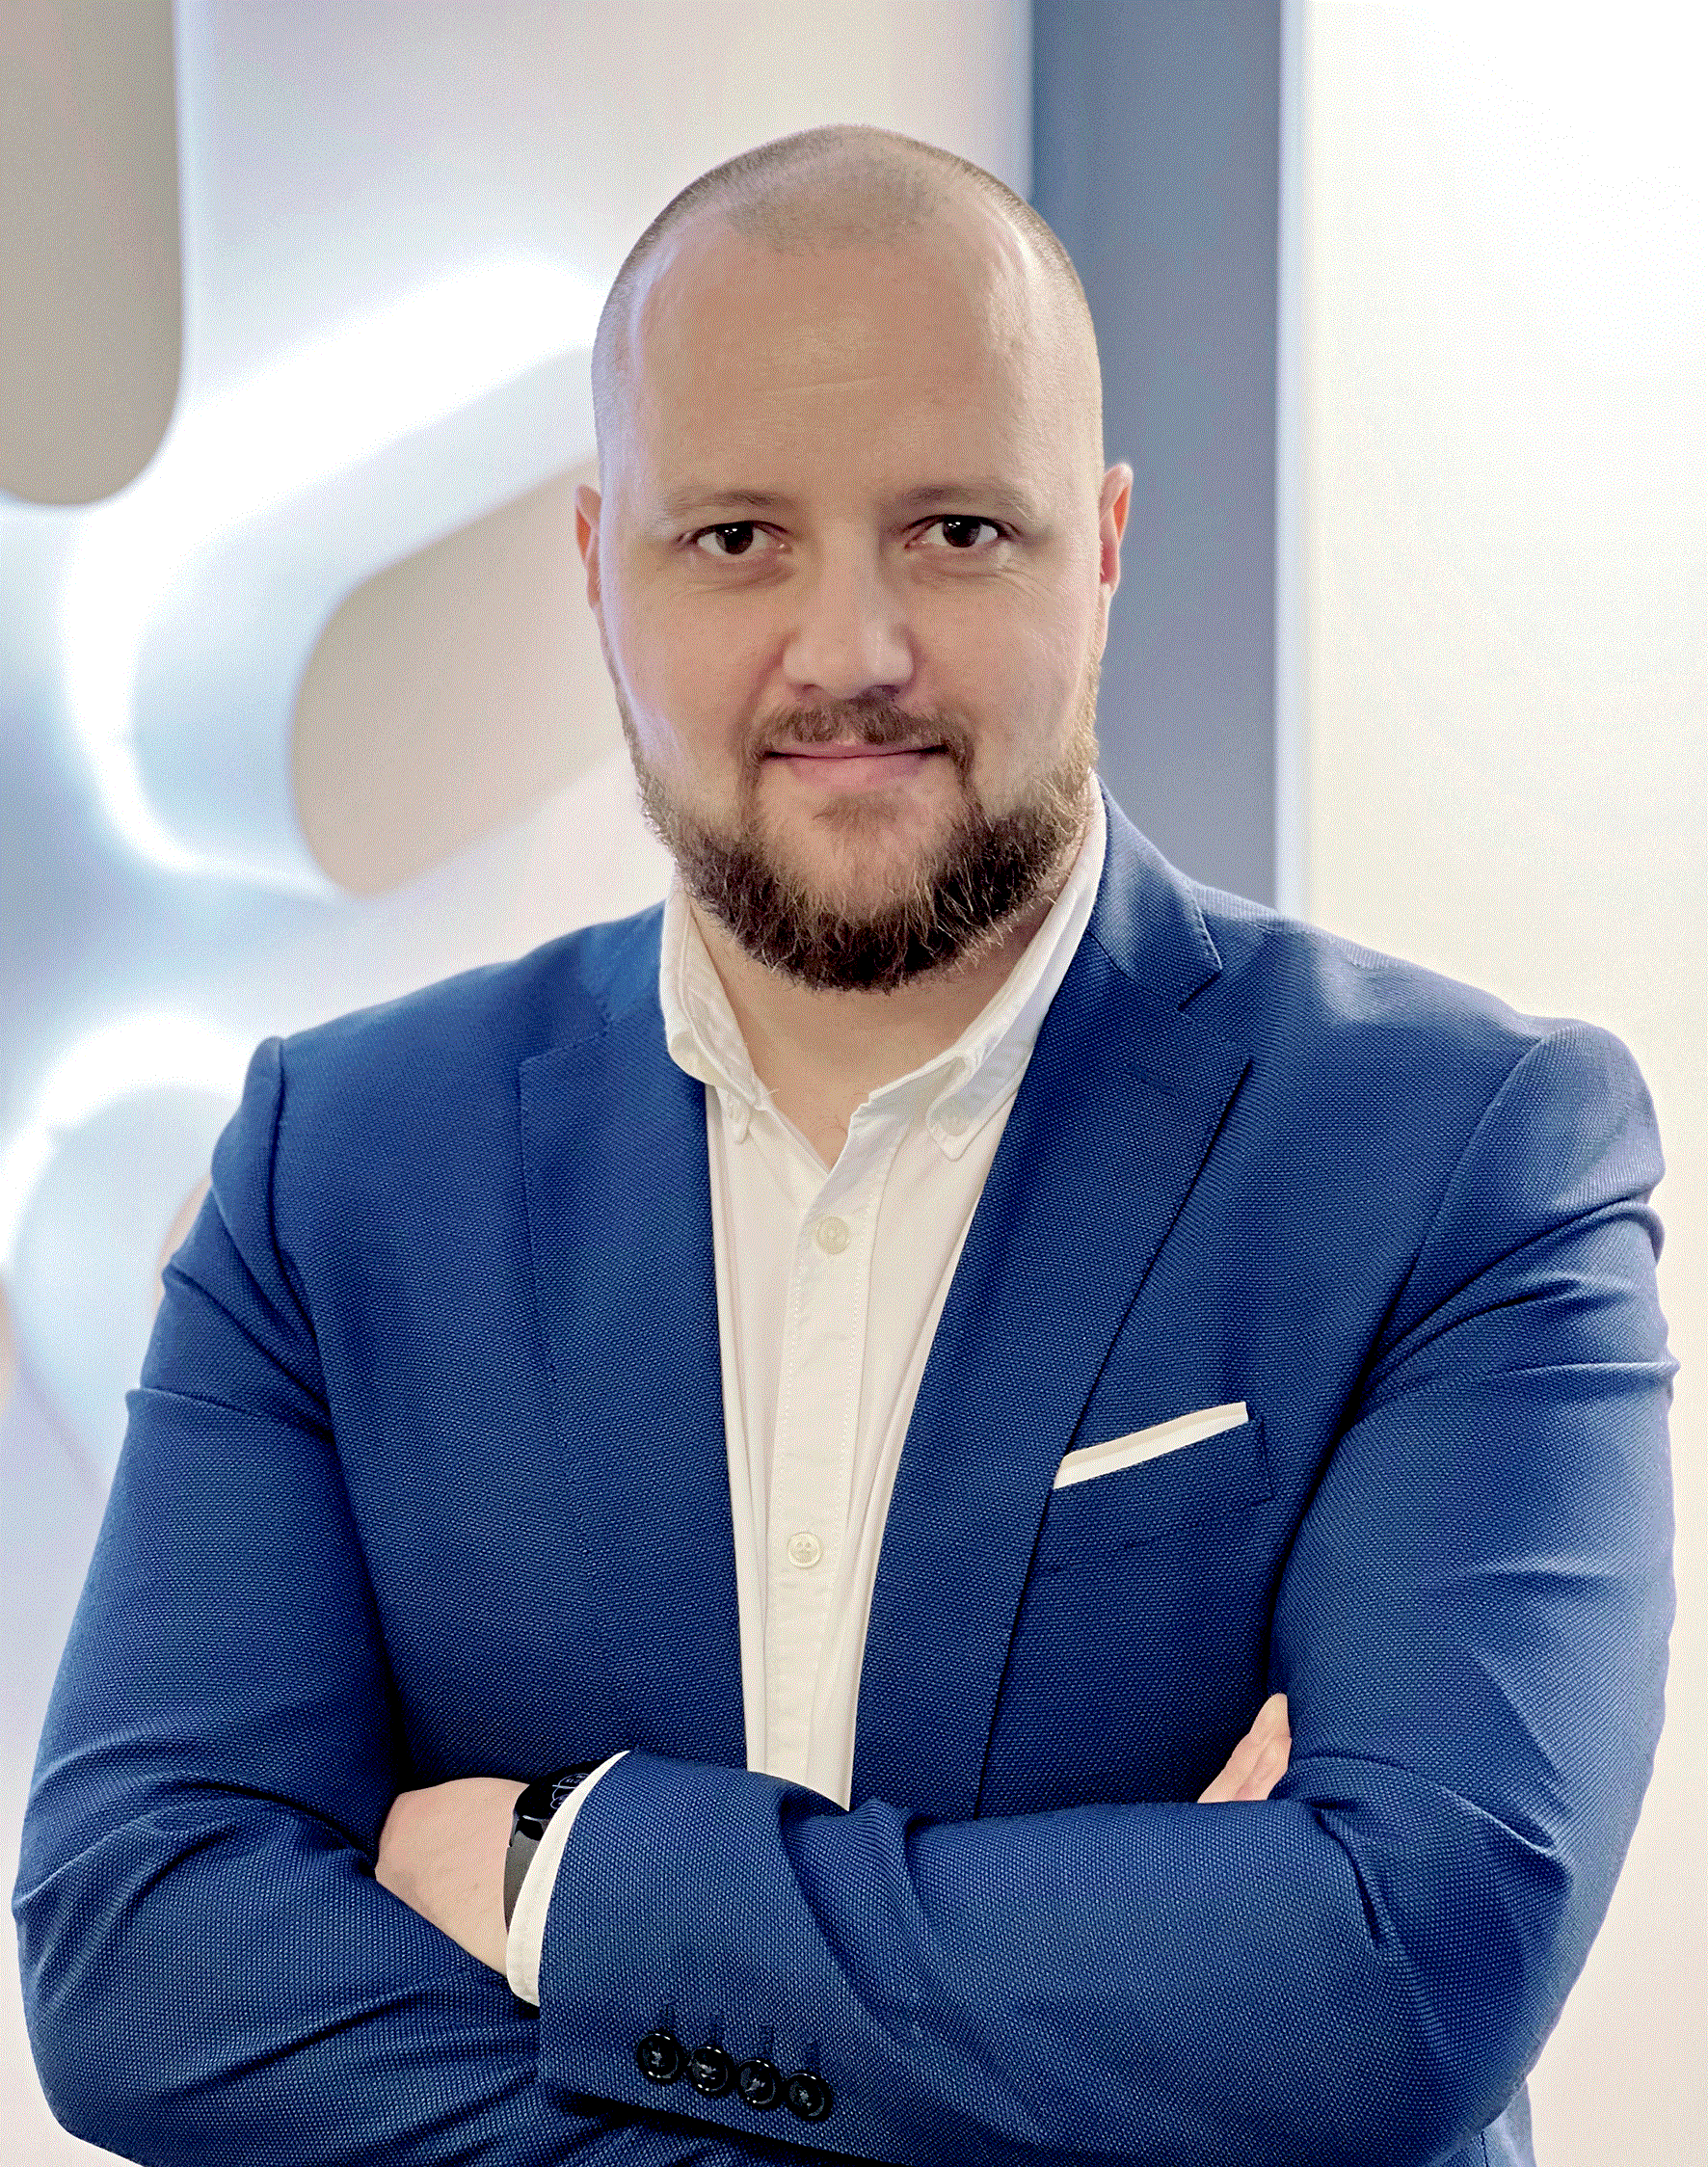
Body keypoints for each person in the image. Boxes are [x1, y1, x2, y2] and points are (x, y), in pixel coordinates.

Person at [14, 125, 1673, 2167]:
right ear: (598, 568)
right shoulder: (337, 1166)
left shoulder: (1464, 1153)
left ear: (1104, 547)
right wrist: (1125, 2029)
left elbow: (1399, 1981)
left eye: (957, 530)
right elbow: (140, 1958)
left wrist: (563, 1878)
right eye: (737, 539)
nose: (851, 651)